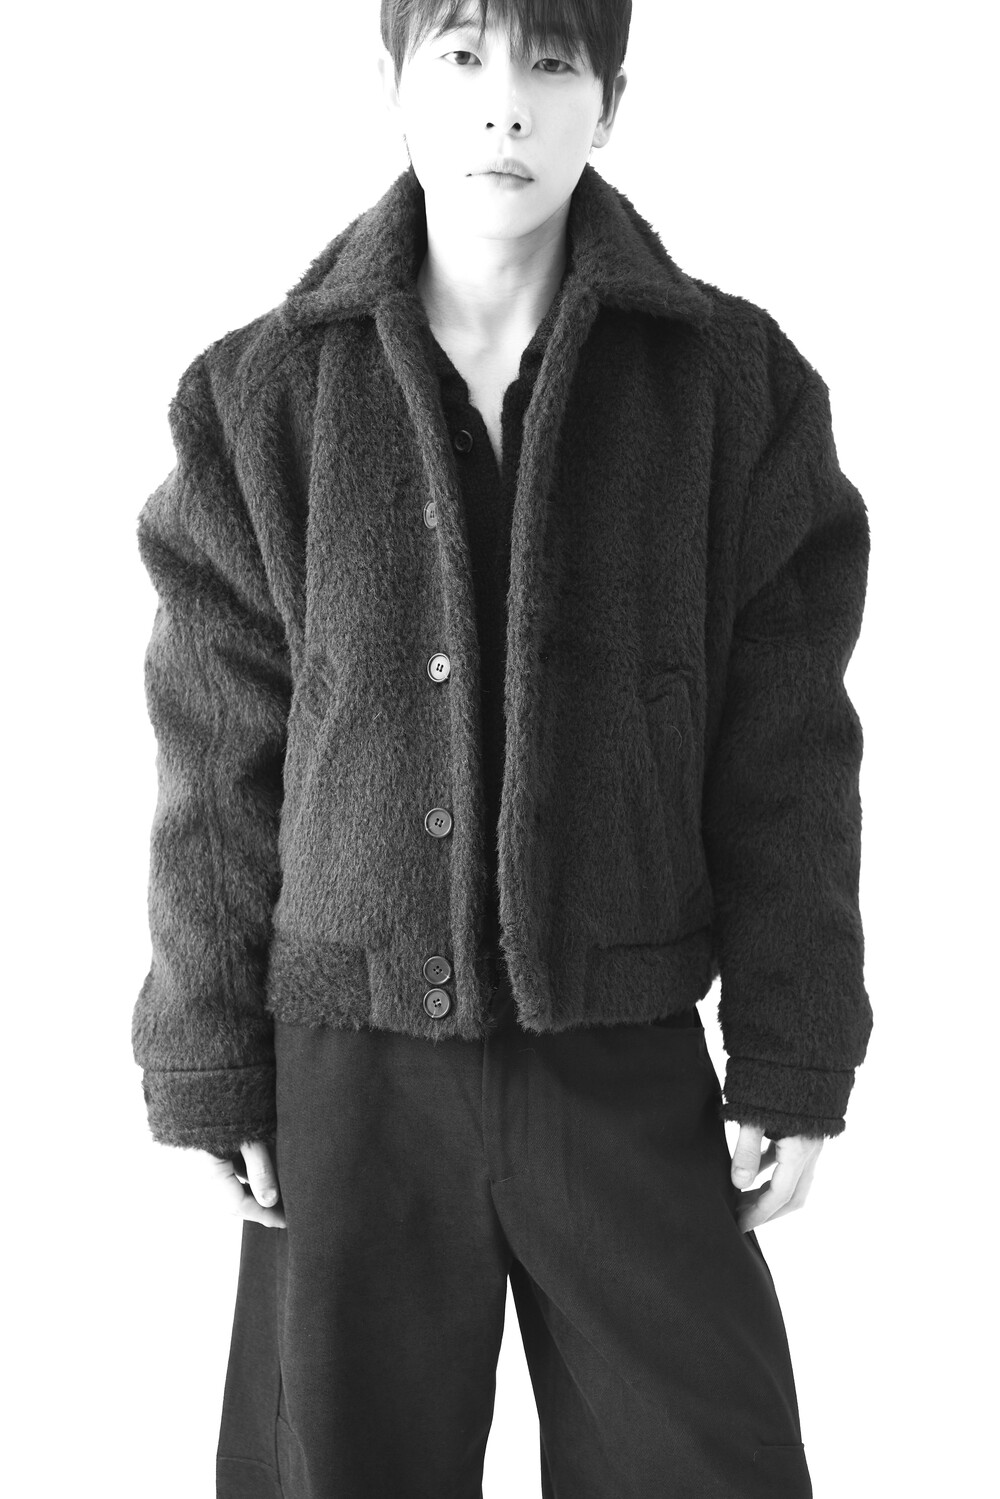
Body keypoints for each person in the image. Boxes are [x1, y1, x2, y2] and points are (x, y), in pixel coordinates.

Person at [131, 2, 872, 1494]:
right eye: (462, 56)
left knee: (707, 1465)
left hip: (626, 1047)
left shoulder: (733, 389)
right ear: (394, 82)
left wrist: (795, 1043)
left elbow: (789, 753)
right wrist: (205, 1053)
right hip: (349, 1077)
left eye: (550, 62)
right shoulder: (261, 397)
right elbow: (216, 756)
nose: (505, 107)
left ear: (612, 98)